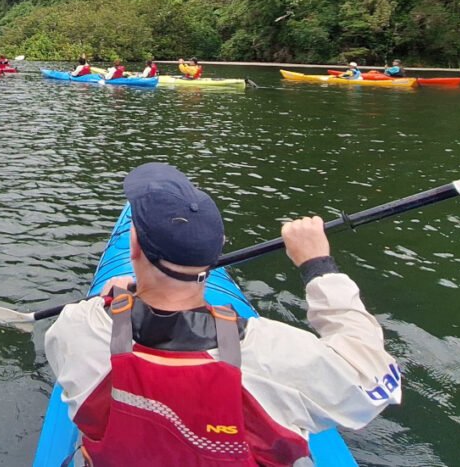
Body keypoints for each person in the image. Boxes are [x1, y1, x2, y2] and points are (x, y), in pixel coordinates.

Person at [45, 163, 401, 466]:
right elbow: (374, 379)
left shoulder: (78, 326)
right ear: (214, 255)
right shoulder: (273, 354)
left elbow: (75, 351)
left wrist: (122, 299)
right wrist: (318, 266)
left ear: (133, 246)